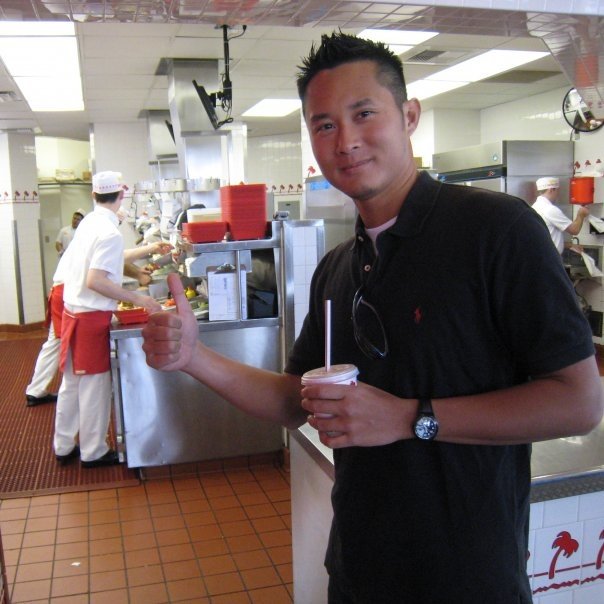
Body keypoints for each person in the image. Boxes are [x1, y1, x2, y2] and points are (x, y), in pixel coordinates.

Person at [141, 32, 603, 602]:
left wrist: (411, 417)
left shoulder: (497, 231)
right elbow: (293, 401)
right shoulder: (339, 266)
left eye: (364, 114)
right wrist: (194, 358)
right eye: (325, 124)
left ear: (408, 115)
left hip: (465, 577)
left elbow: (579, 402)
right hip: (358, 568)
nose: (347, 140)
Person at [54, 171, 162, 468]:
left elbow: (111, 257)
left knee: (72, 383)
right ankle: (93, 451)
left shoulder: (89, 222)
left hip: (73, 312)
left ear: (94, 196)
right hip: (90, 317)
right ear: (121, 196)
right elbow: (96, 280)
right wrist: (140, 299)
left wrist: (150, 248)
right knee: (94, 387)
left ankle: (63, 445)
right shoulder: (109, 232)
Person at [25, 239, 172, 407]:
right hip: (69, 291)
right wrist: (150, 249)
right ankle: (50, 393)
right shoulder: (103, 231)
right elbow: (117, 258)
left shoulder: (94, 232)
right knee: (60, 343)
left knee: (56, 343)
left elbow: (115, 259)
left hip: (65, 289)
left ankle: (38, 390)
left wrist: (139, 271)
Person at [532, 176, 589, 254]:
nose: (558, 195)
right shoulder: (550, 209)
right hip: (550, 259)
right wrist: (581, 214)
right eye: (557, 191)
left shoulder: (535, 207)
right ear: (551, 190)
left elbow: (549, 238)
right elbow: (574, 230)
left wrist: (570, 245)